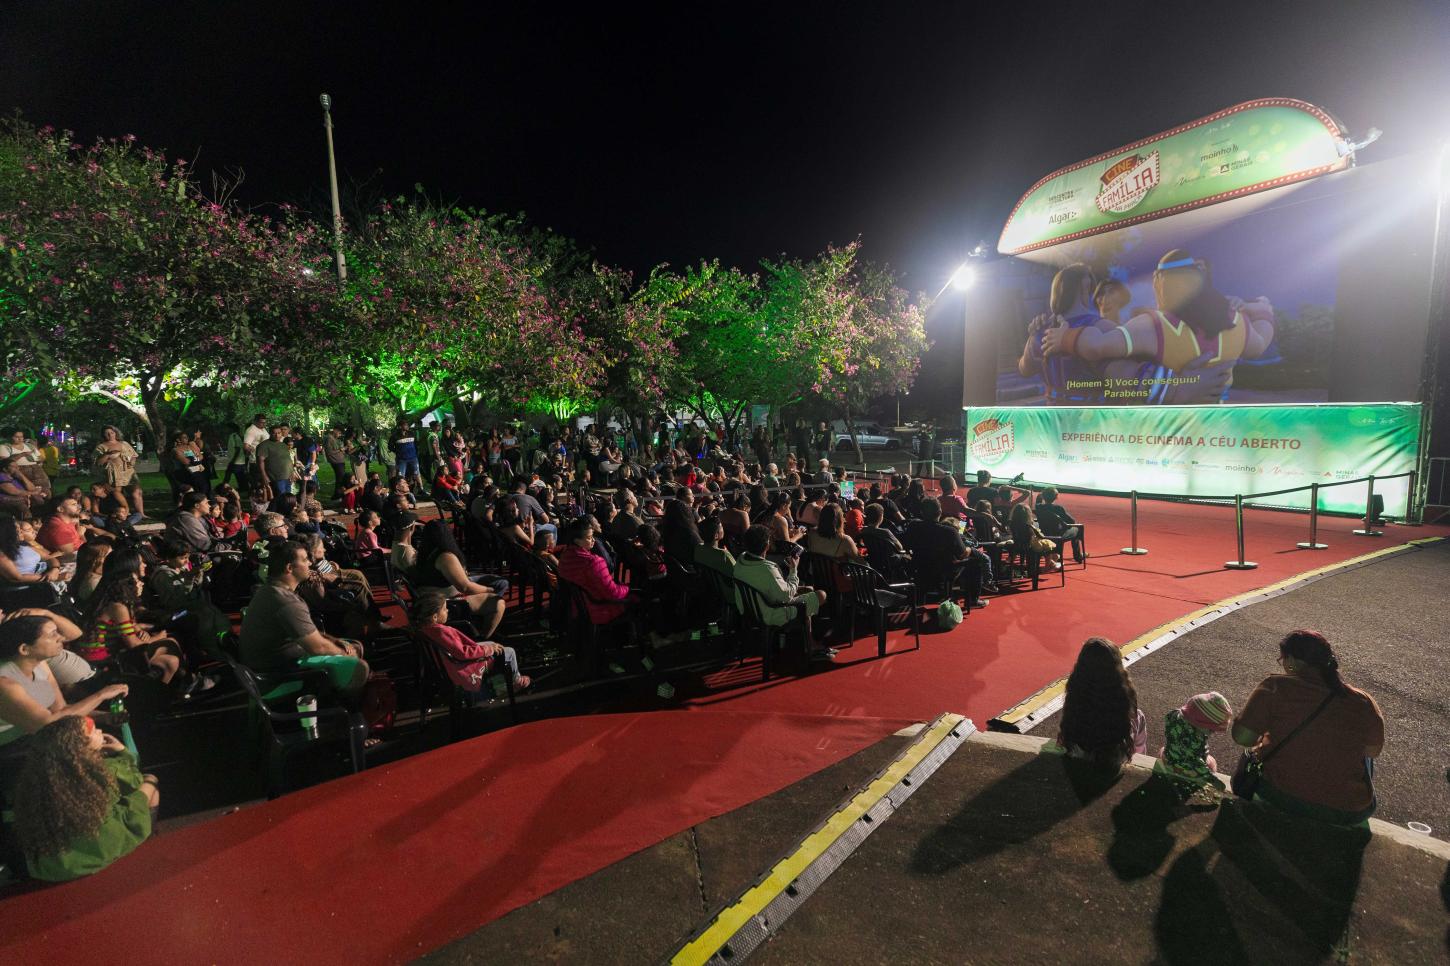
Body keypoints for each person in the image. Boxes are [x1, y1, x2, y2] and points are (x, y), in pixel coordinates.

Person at [1042, 249, 1277, 404]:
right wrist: (1261, 308)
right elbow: (1261, 342)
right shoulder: (1238, 323)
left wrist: (1065, 338)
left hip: (1169, 432)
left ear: (1161, 282)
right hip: (1215, 426)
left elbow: (1096, 346)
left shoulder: (1154, 326)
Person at [1232, 629, 1384, 826]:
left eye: (1283, 659)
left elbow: (1242, 737)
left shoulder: (1276, 686)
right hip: (1347, 811)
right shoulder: (1363, 701)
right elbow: (1373, 751)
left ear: (1292, 660)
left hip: (1278, 794)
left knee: (1252, 752)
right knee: (1364, 753)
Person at [13, 716, 157, 882]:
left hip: (51, 865)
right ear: (79, 745)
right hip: (96, 848)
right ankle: (146, 848)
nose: (100, 731)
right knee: (150, 781)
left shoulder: (40, 779)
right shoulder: (100, 772)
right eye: (94, 731)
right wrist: (121, 751)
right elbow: (134, 780)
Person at [238, 540, 370, 701]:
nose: (310, 563)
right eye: (304, 559)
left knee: (353, 646)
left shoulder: (269, 590)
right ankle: (341, 708)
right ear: (289, 568)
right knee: (360, 667)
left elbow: (306, 633)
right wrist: (344, 654)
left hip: (271, 664)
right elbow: (318, 647)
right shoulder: (286, 602)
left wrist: (336, 641)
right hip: (275, 675)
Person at [0, 616, 131, 748]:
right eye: (53, 635)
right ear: (24, 649)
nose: (62, 638)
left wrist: (104, 717)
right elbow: (49, 725)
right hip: (12, 748)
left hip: (36, 737)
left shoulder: (40, 664)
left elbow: (61, 709)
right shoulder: (5, 683)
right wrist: (101, 695)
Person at [733, 525, 833, 660]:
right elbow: (786, 596)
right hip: (770, 612)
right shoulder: (767, 569)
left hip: (749, 609)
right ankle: (810, 644)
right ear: (767, 545)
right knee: (820, 595)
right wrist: (793, 570)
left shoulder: (741, 560)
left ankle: (808, 641)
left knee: (808, 590)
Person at [1052, 637, 1148, 770]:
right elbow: (1139, 750)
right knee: (1138, 718)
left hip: (1077, 764)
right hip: (1114, 766)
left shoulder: (1075, 704)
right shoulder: (1128, 713)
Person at [411, 590, 530, 695]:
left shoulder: (424, 628)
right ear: (435, 617)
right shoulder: (441, 632)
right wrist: (489, 649)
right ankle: (516, 681)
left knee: (492, 644)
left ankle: (498, 682)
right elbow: (463, 653)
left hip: (446, 665)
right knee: (509, 652)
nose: (447, 610)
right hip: (461, 667)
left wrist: (489, 647)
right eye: (444, 609)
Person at [412, 519, 507, 638]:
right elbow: (465, 587)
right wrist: (488, 590)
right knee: (498, 601)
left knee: (500, 583)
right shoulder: (445, 556)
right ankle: (482, 637)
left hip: (436, 594)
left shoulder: (426, 553)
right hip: (448, 601)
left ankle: (480, 618)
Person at [901, 499, 988, 608]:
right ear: (939, 512)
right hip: (944, 570)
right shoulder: (950, 531)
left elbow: (905, 545)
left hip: (919, 568)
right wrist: (970, 549)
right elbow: (962, 554)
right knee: (976, 561)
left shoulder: (913, 526)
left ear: (922, 512)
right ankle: (973, 600)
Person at [1154, 691, 1233, 792]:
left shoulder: (1174, 716)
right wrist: (1212, 778)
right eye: (1211, 729)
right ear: (1200, 724)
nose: (1212, 732)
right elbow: (1197, 763)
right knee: (1212, 763)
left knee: (1163, 749)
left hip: (1168, 756)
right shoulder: (1195, 741)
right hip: (1184, 768)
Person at [91, 426, 145, 520]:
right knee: (117, 494)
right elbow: (98, 462)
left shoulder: (124, 443)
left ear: (115, 433)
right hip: (114, 473)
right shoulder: (101, 447)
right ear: (103, 435)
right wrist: (107, 454)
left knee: (136, 492)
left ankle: (141, 514)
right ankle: (121, 514)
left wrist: (132, 461)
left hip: (128, 472)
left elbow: (133, 455)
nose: (110, 435)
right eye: (107, 433)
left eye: (112, 432)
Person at [1034, 488, 1084, 563]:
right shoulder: (1058, 508)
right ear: (1056, 497)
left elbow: (1038, 502)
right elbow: (1072, 521)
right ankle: (1077, 556)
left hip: (1043, 533)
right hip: (1057, 534)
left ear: (1043, 496)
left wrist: (1041, 496)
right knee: (1077, 528)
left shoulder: (1038, 507)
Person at [1008, 503, 1061, 572]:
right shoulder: (1029, 526)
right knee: (1047, 545)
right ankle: (1048, 566)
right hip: (1029, 546)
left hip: (1018, 544)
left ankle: (1052, 563)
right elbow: (1040, 536)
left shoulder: (1012, 524)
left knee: (1044, 544)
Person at [1, 428, 51, 500]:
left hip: (36, 470)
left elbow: (41, 457)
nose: (20, 439)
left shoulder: (29, 446)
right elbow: (5, 462)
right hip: (21, 470)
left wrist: (39, 460)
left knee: (45, 490)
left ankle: (45, 503)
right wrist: (22, 454)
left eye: (21, 437)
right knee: (29, 491)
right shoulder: (5, 447)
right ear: (10, 437)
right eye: (16, 437)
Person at [255, 423, 295, 499]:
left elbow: (288, 460)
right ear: (270, 433)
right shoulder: (264, 445)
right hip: (276, 478)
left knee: (288, 498)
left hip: (287, 477)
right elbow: (260, 462)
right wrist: (264, 476)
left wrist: (292, 472)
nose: (277, 435)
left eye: (279, 433)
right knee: (280, 498)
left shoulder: (283, 445)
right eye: (274, 433)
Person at [0, 454, 45, 518]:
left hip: (24, 496)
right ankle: (28, 521)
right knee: (24, 503)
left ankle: (39, 519)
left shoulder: (15, 476)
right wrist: (33, 493)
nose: (17, 468)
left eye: (17, 466)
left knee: (39, 499)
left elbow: (32, 488)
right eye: (14, 467)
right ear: (5, 469)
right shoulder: (2, 476)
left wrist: (22, 476)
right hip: (9, 499)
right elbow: (14, 492)